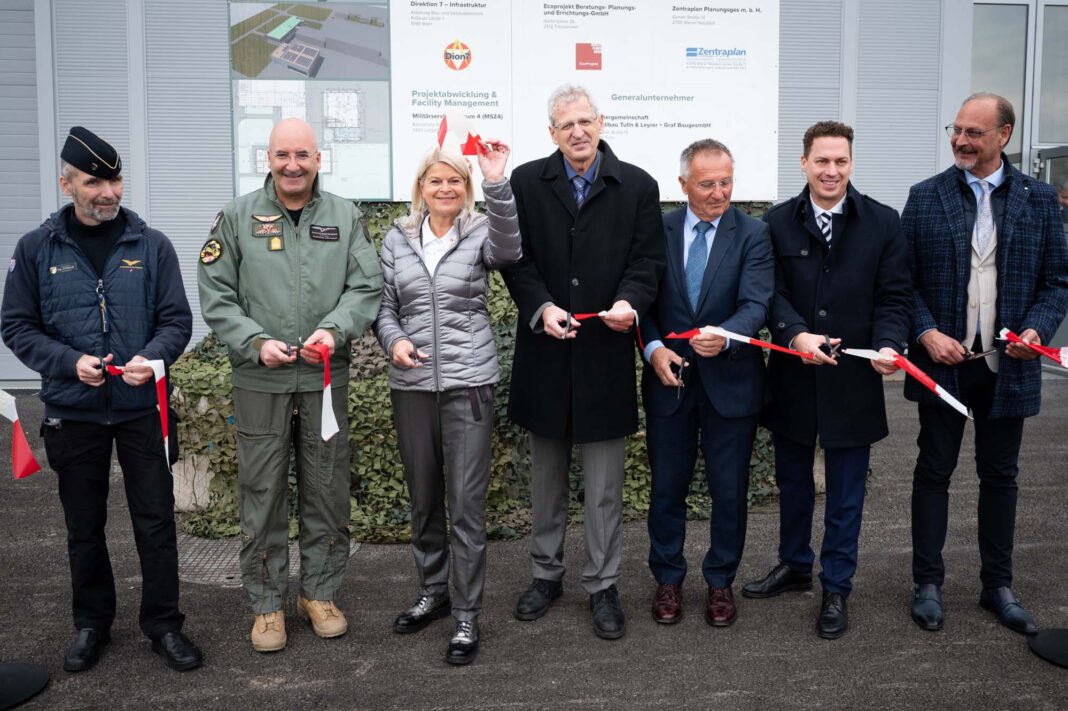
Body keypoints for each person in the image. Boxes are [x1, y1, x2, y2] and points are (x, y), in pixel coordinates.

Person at [1, 126, 202, 672]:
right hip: (73, 410)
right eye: (94, 182)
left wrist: (152, 359)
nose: (108, 192)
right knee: (83, 526)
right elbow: (16, 326)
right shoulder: (36, 248)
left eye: (114, 180)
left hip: (142, 409)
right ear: (66, 184)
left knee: (155, 522)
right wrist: (69, 362)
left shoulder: (152, 245)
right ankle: (92, 624)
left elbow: (176, 321)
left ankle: (164, 625)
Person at [198, 118, 383, 652]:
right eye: (283, 155)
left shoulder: (345, 216)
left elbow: (366, 285)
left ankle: (319, 594)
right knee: (262, 494)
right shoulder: (237, 218)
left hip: (325, 379)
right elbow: (216, 292)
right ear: (269, 159)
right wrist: (255, 341)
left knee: (327, 490)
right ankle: (267, 605)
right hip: (261, 379)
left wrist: (334, 329)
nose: (293, 165)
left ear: (319, 159)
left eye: (302, 155)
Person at [502, 84, 665, 640]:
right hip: (545, 354)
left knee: (604, 488)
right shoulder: (526, 181)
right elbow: (515, 260)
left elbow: (647, 261)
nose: (577, 131)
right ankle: (546, 575)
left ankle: (603, 584)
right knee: (545, 483)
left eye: (585, 121)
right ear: (552, 132)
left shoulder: (638, 185)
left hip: (604, 355)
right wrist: (541, 307)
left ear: (601, 122)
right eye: (565, 124)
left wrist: (630, 301)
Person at [902, 93, 1068, 635]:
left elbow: (1057, 281)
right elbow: (902, 282)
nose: (961, 140)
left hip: (1009, 366)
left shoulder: (1040, 200)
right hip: (943, 364)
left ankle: (998, 586)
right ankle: (927, 584)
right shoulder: (925, 197)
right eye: (957, 130)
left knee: (1001, 476)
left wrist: (1037, 329)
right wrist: (926, 333)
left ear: (1004, 134)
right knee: (933, 472)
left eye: (974, 132)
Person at [742, 121, 910, 639]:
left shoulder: (883, 222)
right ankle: (795, 564)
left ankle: (837, 585)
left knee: (845, 493)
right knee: (793, 483)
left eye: (840, 161)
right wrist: (795, 335)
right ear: (804, 163)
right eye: (821, 161)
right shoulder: (776, 222)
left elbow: (894, 297)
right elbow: (769, 294)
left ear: (851, 163)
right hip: (794, 375)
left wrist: (889, 344)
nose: (831, 170)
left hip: (854, 379)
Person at [375, 142, 520, 665]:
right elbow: (383, 307)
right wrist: (394, 341)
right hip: (412, 385)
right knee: (424, 499)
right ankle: (433, 591)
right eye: (435, 180)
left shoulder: (480, 231)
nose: (445, 188)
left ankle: (466, 613)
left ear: (466, 188)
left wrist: (497, 182)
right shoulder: (397, 237)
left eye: (455, 180)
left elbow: (510, 252)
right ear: (421, 187)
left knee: (466, 507)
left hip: (468, 385)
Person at [641, 140, 773, 627]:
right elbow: (641, 301)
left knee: (729, 491)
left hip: (731, 383)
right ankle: (667, 579)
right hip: (668, 382)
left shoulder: (754, 234)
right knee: (666, 489)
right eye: (707, 184)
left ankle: (720, 582)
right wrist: (654, 349)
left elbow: (757, 303)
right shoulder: (657, 229)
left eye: (726, 182)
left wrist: (729, 336)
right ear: (683, 184)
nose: (719, 193)